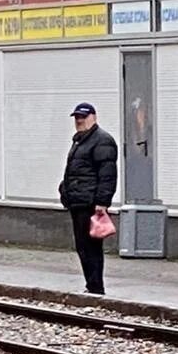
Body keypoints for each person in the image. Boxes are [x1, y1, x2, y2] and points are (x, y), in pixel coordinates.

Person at [58, 103, 118, 296]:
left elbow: (107, 175)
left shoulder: (102, 141)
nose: (79, 121)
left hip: (90, 203)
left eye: (83, 117)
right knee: (82, 246)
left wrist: (102, 202)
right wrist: (65, 190)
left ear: (94, 117)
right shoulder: (80, 141)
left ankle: (95, 286)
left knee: (90, 247)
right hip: (78, 201)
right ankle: (91, 285)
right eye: (77, 117)